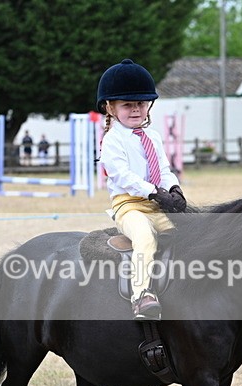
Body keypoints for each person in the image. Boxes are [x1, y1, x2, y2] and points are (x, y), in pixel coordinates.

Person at [97, 59, 187, 321]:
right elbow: (122, 176)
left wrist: (174, 189)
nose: (136, 110)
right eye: (128, 105)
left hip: (156, 203)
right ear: (110, 108)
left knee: (185, 235)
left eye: (141, 103)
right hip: (129, 206)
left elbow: (164, 168)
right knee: (145, 238)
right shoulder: (112, 140)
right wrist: (153, 191)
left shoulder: (153, 137)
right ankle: (141, 294)